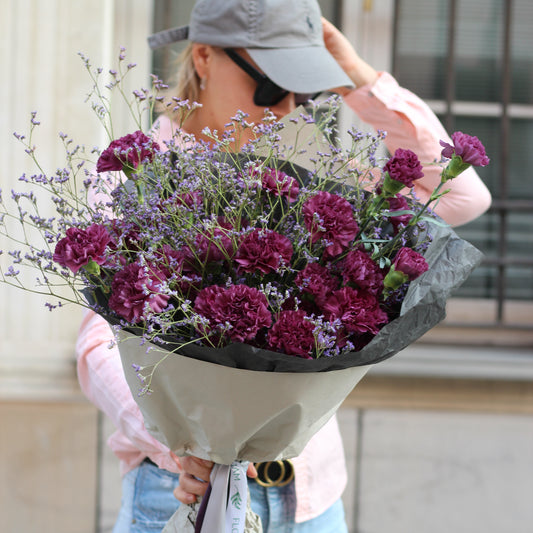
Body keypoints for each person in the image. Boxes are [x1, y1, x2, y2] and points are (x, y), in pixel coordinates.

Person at [76, 1, 492, 532]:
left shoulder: (318, 169)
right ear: (203, 57)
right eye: (273, 85)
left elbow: (460, 196)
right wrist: (178, 441)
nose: (287, 107)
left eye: (305, 89)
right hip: (179, 490)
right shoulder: (135, 171)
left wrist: (358, 81)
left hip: (311, 501)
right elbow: (97, 346)